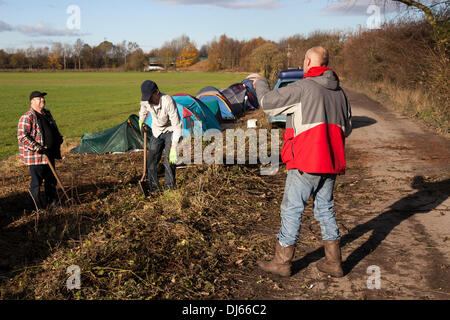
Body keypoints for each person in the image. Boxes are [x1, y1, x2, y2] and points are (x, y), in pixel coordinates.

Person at [255, 46, 352, 277]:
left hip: (306, 161)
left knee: (292, 209)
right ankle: (334, 262)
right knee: (325, 208)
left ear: (308, 61)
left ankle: (282, 262)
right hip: (331, 161)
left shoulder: (302, 87)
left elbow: (268, 103)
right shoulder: (340, 93)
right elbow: (346, 129)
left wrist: (260, 82)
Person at [17, 91, 64, 210]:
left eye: (43, 98)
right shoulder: (27, 117)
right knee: (36, 183)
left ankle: (53, 203)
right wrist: (37, 147)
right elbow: (22, 136)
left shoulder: (47, 114)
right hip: (36, 156)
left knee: (51, 181)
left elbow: (53, 128)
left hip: (49, 153)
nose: (42, 100)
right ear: (32, 102)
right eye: (39, 98)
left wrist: (58, 138)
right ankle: (36, 207)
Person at [138, 80, 182, 192]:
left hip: (170, 130)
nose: (148, 100)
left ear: (157, 92)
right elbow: (143, 109)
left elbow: (177, 126)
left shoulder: (168, 101)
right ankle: (154, 188)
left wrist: (173, 147)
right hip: (157, 131)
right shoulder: (146, 101)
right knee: (151, 161)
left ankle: (170, 188)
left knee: (169, 161)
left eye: (150, 97)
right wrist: (141, 121)